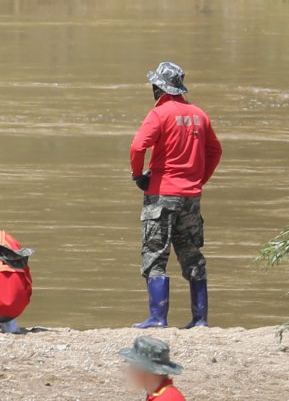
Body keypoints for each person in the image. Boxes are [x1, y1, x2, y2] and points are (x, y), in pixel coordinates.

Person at [130, 62, 222, 329]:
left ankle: (157, 318)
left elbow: (138, 146)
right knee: (192, 255)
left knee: (155, 255)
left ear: (160, 88)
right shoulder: (199, 114)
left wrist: (138, 175)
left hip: (161, 194)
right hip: (191, 197)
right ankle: (200, 320)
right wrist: (199, 179)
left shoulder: (159, 114)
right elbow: (215, 152)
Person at [118, 336, 186, 401]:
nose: (130, 370)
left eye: (132, 365)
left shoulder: (167, 398)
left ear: (142, 368)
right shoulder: (159, 393)